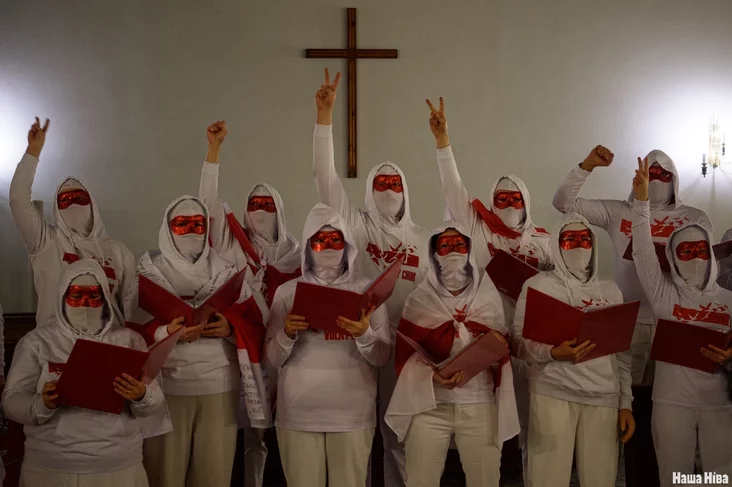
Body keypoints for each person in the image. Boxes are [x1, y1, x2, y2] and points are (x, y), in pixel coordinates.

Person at [313, 69, 430, 487]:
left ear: (407, 188)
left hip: (410, 347)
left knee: (400, 432)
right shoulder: (355, 224)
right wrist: (324, 119)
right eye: (380, 182)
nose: (389, 188)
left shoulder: (425, 238)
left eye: (395, 182)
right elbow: (325, 180)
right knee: (359, 431)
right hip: (359, 338)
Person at [426, 97, 552, 478]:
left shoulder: (544, 241)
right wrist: (443, 142)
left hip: (530, 340)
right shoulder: (477, 226)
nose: (508, 203)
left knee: (534, 426)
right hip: (484, 339)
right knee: (485, 426)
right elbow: (453, 188)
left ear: (526, 202)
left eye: (515, 199)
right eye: (501, 199)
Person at [130, 196, 270, 487]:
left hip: (219, 385)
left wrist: (229, 328)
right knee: (164, 475)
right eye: (182, 224)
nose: (192, 230)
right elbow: (128, 328)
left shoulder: (227, 270)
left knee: (213, 474)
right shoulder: (148, 271)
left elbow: (257, 323)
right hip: (165, 387)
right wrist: (166, 332)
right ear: (168, 228)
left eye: (198, 224)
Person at [552, 146, 713, 386]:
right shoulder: (618, 211)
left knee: (671, 390)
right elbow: (564, 204)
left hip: (675, 317)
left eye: (664, 174)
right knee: (625, 387)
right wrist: (587, 166)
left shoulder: (694, 218)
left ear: (674, 179)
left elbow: (706, 268)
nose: (656, 179)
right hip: (628, 316)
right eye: (651, 174)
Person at [2, 259, 166, 487]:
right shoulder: (37, 342)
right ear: (63, 295)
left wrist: (141, 395)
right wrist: (42, 404)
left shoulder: (129, 340)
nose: (85, 303)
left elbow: (156, 401)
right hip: (52, 466)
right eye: (77, 295)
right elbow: (11, 401)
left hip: (118, 465)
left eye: (94, 295)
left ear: (105, 297)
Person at [199, 120, 301, 487]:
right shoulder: (232, 243)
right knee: (250, 432)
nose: (260, 210)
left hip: (284, 347)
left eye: (267, 204)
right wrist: (214, 152)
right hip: (241, 345)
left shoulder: (296, 253)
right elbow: (208, 205)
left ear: (279, 209)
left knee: (288, 429)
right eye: (254, 204)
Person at [264, 203, 392, 487]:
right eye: (320, 240)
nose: (329, 246)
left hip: (352, 414)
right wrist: (287, 333)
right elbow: (271, 358)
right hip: (298, 414)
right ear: (308, 246)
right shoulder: (287, 292)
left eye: (336, 239)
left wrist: (364, 334)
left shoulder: (367, 290)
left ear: (347, 245)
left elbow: (383, 356)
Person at [385, 222, 519, 487]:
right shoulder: (419, 300)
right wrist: (431, 375)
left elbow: (501, 346)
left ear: (469, 250)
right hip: (429, 405)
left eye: (459, 245)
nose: (453, 251)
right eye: (445, 246)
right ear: (434, 254)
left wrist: (489, 349)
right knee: (420, 480)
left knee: (485, 480)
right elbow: (404, 354)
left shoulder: (488, 295)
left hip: (479, 403)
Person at [511, 213, 635, 487]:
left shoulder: (610, 290)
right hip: (552, 393)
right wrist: (553, 353)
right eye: (569, 240)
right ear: (557, 244)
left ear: (593, 244)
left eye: (584, 239)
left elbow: (622, 355)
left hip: (603, 396)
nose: (578, 245)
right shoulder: (537, 286)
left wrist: (625, 403)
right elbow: (517, 344)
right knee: (546, 479)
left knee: (600, 479)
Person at [631, 158, 732, 486]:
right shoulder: (664, 295)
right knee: (676, 478)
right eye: (685, 251)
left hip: (721, 404)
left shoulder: (729, 299)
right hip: (672, 403)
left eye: (701, 250)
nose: (695, 257)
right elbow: (642, 253)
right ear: (673, 258)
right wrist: (642, 203)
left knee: (721, 478)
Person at [9, 118, 137, 324]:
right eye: (65, 200)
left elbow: (132, 306)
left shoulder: (118, 251)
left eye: (79, 198)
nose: (73, 204)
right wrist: (33, 151)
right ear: (56, 208)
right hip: (54, 338)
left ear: (92, 204)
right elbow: (18, 200)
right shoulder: (46, 241)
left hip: (109, 338)